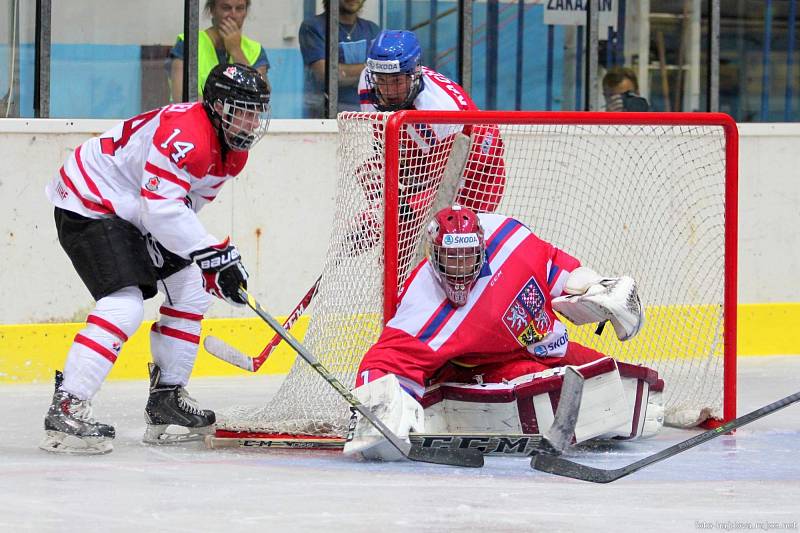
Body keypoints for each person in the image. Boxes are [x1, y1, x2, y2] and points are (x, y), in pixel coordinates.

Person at [39, 63, 270, 455]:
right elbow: (161, 210)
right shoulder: (187, 134)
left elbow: (180, 206)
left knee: (192, 289)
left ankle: (166, 400)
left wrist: (209, 263)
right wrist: (211, 253)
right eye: (239, 110)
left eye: (255, 112)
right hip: (90, 199)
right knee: (124, 304)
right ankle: (67, 405)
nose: (248, 122)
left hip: (135, 205)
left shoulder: (233, 152)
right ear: (215, 106)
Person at [343, 205, 661, 461]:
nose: (460, 269)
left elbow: (553, 266)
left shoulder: (510, 239)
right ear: (433, 258)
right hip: (488, 363)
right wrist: (378, 414)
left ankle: (607, 418)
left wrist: (593, 288)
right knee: (547, 384)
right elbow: (384, 361)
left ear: (483, 248)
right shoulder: (423, 305)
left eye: (467, 258)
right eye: (450, 260)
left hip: (544, 342)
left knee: (612, 375)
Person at [351, 29, 506, 268]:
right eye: (382, 81)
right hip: (428, 159)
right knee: (394, 248)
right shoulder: (369, 82)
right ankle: (399, 301)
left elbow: (438, 191)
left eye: (396, 81)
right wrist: (379, 207)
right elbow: (384, 149)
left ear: (414, 73)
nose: (388, 90)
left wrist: (389, 214)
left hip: (477, 167)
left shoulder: (440, 112)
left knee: (452, 247)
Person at [169, 0, 270, 103]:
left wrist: (236, 51)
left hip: (238, 118)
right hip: (196, 117)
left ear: (245, 12)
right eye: (226, 8)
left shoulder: (255, 50)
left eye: (239, 8)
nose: (233, 15)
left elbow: (261, 98)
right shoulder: (188, 43)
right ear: (212, 10)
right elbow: (181, 97)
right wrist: (225, 110)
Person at [299, 0, 380, 117]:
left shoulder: (372, 29)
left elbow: (382, 75)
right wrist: (369, 69)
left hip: (366, 114)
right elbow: (325, 74)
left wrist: (348, 73)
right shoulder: (313, 27)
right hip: (325, 115)